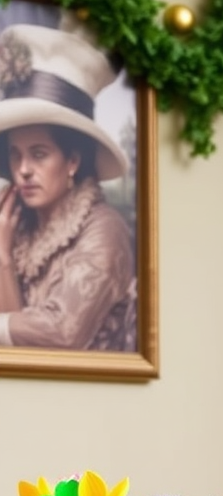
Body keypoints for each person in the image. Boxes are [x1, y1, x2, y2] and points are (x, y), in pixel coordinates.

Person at [0, 23, 135, 351]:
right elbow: (19, 355)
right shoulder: (16, 224)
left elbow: (59, 335)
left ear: (72, 161)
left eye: (39, 154)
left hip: (97, 400)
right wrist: (3, 255)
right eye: (16, 155)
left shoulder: (104, 229)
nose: (23, 170)